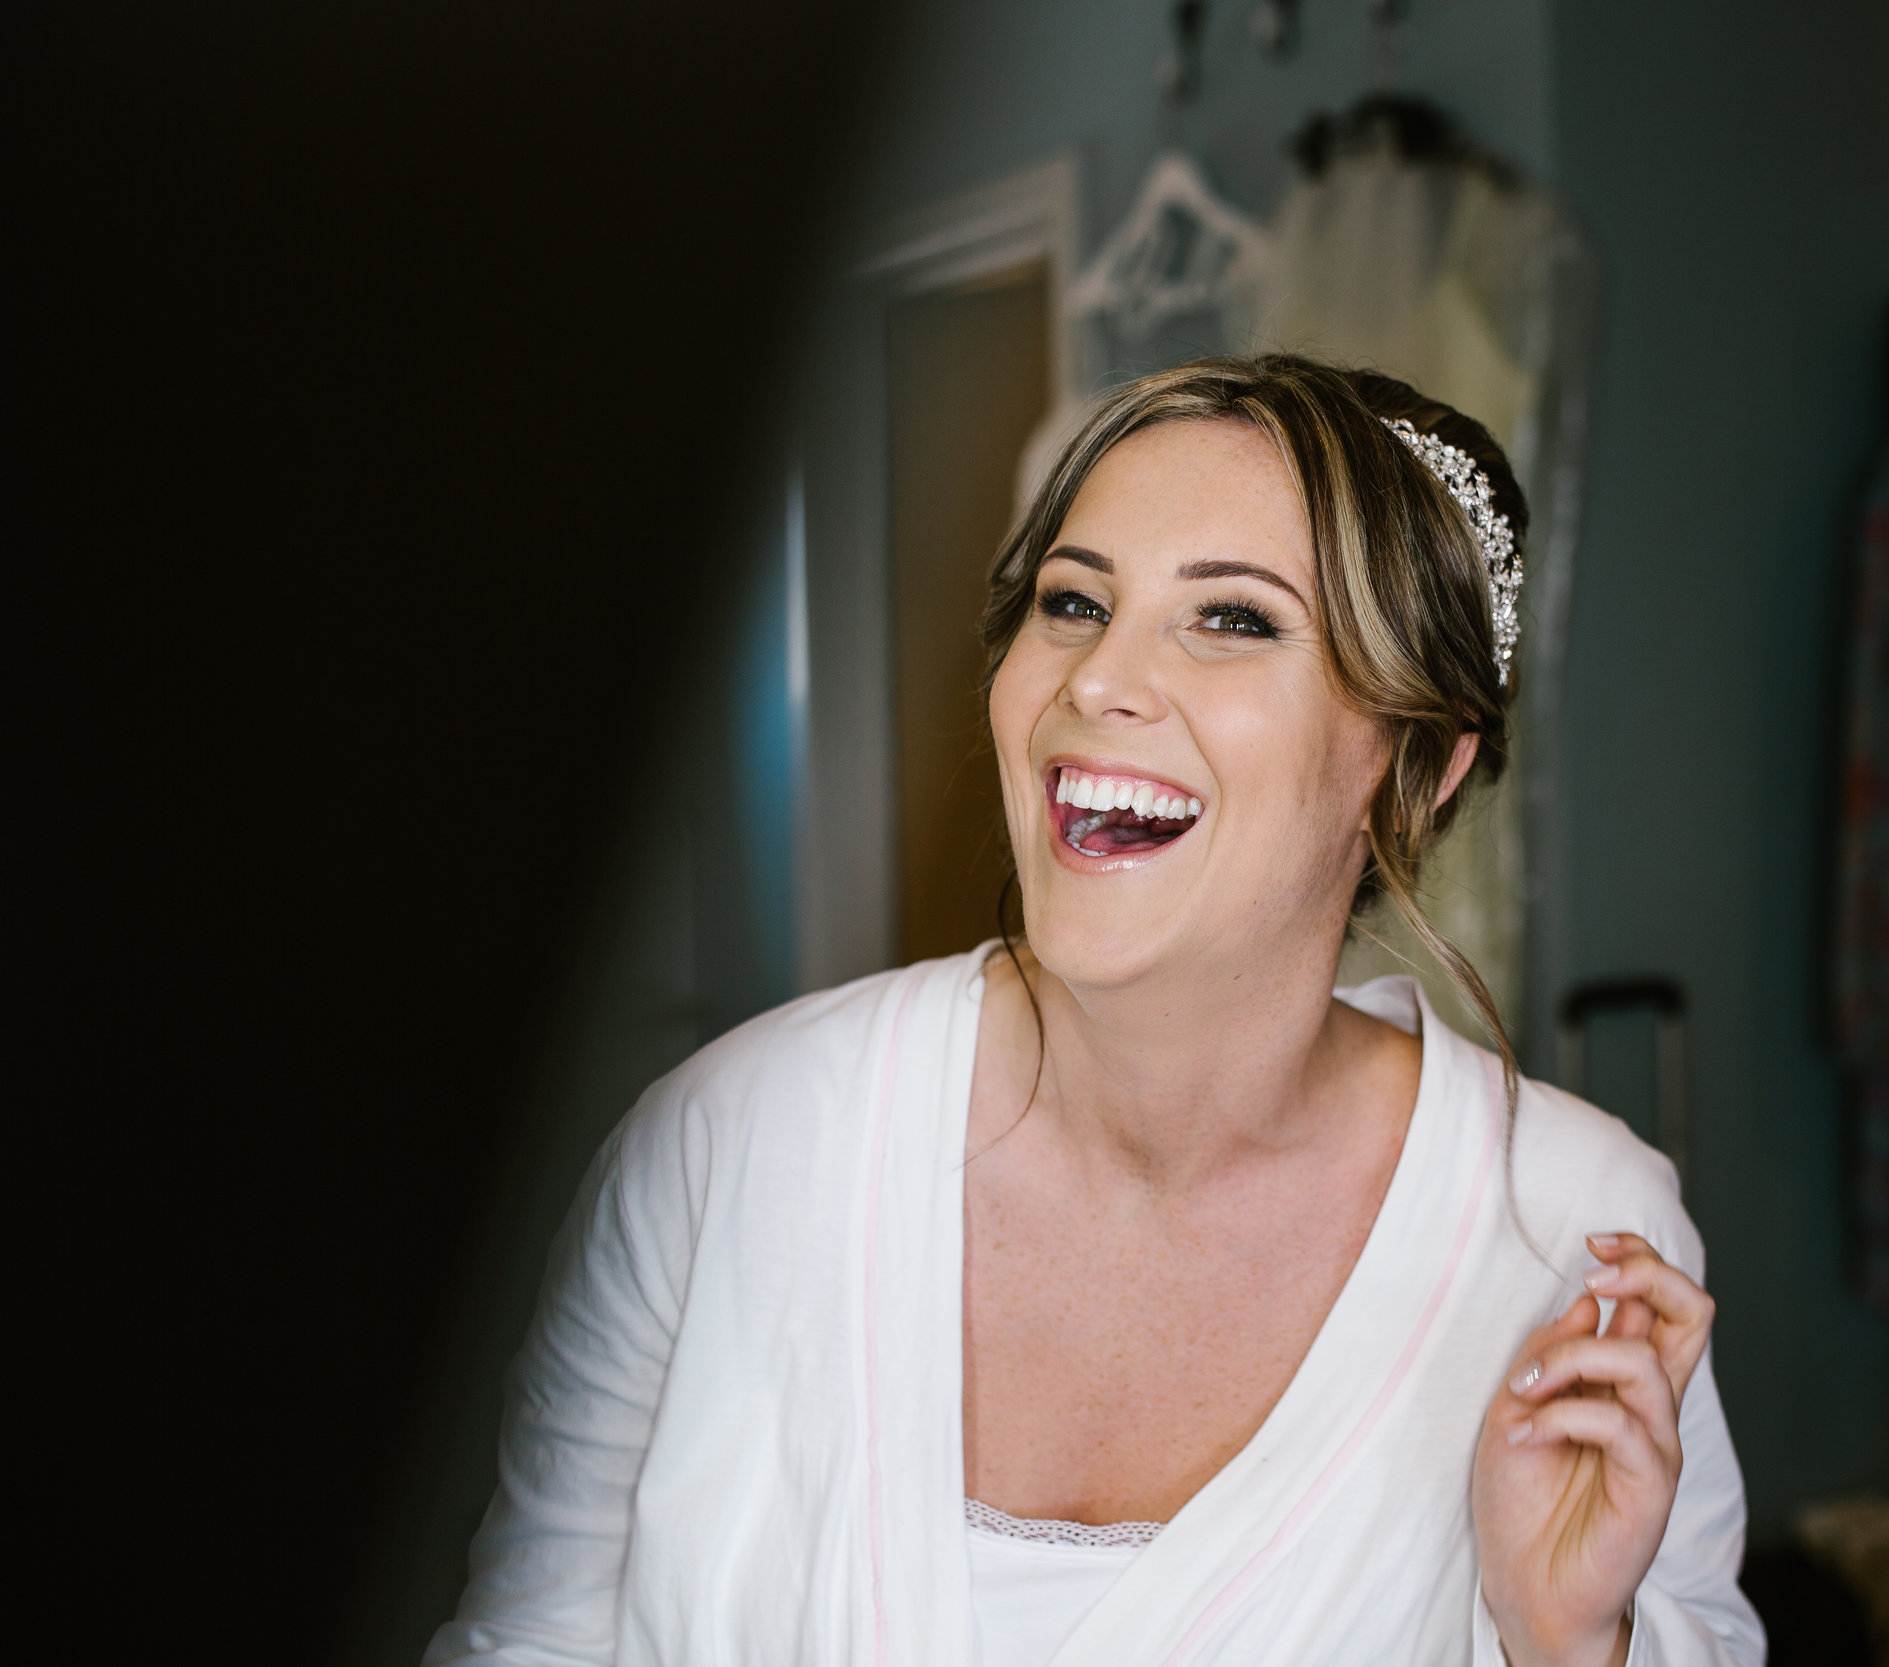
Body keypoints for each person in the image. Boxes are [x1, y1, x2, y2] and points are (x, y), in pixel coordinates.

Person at [426, 356, 1763, 1667]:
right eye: (1072, 603)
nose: (1093, 683)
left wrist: (1575, 1648)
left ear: (1415, 768)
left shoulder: (1581, 1244)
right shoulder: (727, 1143)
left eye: (1232, 618)